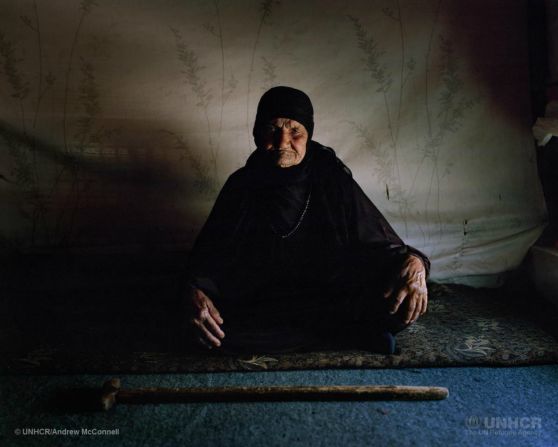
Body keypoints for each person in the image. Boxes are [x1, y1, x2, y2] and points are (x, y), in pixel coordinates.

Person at [184, 86, 429, 354]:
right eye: (272, 130)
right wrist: (194, 293)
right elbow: (205, 260)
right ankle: (351, 336)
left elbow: (381, 244)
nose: (282, 142)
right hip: (262, 302)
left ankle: (329, 333)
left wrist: (415, 264)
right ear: (257, 134)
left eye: (294, 131)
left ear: (308, 134)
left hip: (331, 297)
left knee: (400, 299)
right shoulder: (241, 186)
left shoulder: (332, 181)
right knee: (208, 328)